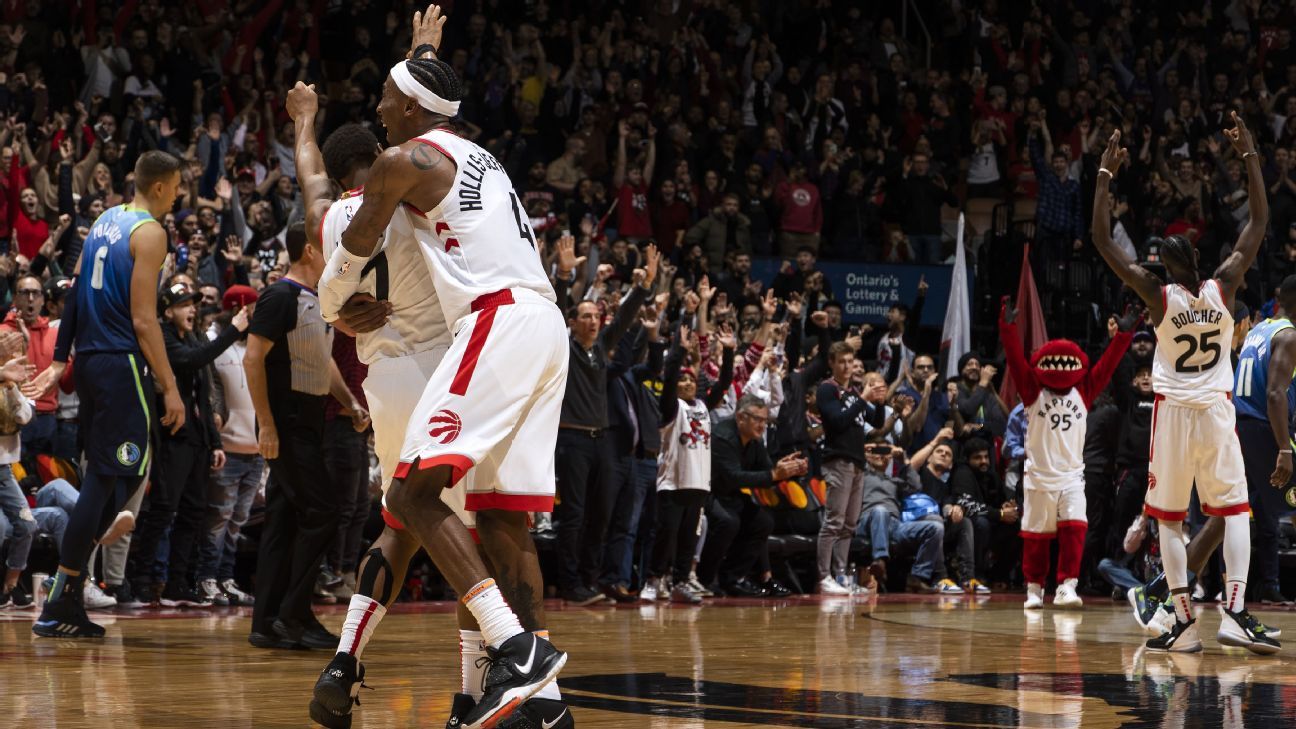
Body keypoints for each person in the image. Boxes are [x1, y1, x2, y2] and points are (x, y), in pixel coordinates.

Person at [315, 50, 569, 729]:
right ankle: (544, 706)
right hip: (546, 324)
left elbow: (357, 240)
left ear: (410, 108)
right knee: (502, 517)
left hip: (492, 323)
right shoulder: (482, 157)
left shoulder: (403, 162)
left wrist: (329, 302)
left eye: (386, 99)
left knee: (410, 494)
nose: (378, 111)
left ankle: (514, 650)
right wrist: (423, 45)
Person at [1092, 118, 1278, 654]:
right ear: (1197, 259)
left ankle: (1181, 623)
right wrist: (1249, 157)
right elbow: (1260, 220)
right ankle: (1236, 613)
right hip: (1216, 413)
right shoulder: (1226, 282)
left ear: (1162, 267)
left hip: (1172, 414)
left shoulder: (1157, 296)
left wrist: (1106, 173)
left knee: (1169, 522)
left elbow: (1102, 239)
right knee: (1235, 511)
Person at [33, 151, 188, 638]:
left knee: (109, 478)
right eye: (178, 187)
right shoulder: (151, 233)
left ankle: (69, 589)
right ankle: (64, 593)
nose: (179, 196)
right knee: (117, 479)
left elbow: (76, 291)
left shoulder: (104, 220)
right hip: (122, 363)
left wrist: (61, 357)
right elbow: (145, 320)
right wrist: (171, 387)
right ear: (161, 187)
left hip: (91, 360)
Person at [243, 222, 369, 650]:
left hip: (312, 419)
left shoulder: (316, 300)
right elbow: (252, 359)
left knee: (285, 519)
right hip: (289, 419)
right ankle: (293, 615)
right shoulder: (280, 296)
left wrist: (350, 402)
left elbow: (322, 361)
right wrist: (266, 424)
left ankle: (266, 623)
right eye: (326, 246)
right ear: (311, 251)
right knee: (323, 512)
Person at [999, 300, 1133, 610]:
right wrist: (1007, 328)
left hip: (1072, 476)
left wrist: (1122, 337)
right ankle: (1034, 588)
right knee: (1036, 536)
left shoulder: (1083, 390)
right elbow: (1016, 361)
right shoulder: (1032, 392)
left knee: (1075, 529)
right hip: (1039, 476)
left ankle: (1066, 585)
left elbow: (1108, 365)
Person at [126, 282, 248, 607]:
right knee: (163, 509)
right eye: (183, 304)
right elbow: (193, 361)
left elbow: (204, 396)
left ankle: (177, 584)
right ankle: (142, 582)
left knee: (194, 511)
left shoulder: (192, 337)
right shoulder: (163, 338)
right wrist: (233, 331)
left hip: (197, 438)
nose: (192, 310)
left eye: (193, 304)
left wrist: (215, 441)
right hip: (171, 435)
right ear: (167, 311)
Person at [644, 323, 733, 603]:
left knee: (687, 540)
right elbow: (669, 381)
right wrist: (680, 351)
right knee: (665, 535)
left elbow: (725, 382)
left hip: (698, 482)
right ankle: (654, 579)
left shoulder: (704, 406)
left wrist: (729, 352)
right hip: (673, 481)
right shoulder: (672, 407)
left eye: (690, 381)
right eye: (683, 381)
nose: (686, 384)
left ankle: (681, 581)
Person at [703, 394, 807, 595]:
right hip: (708, 493)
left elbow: (767, 474)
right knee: (728, 522)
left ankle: (733, 578)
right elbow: (734, 477)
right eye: (758, 420)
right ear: (741, 417)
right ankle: (704, 578)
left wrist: (789, 471)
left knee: (762, 522)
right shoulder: (722, 436)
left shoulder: (754, 440)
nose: (763, 425)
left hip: (730, 495)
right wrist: (774, 474)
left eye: (765, 421)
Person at [1232, 278, 1296, 606]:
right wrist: (1285, 448)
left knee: (1229, 515)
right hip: (1264, 428)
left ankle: (1167, 585)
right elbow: (1273, 394)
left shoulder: (1258, 329)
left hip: (1240, 427)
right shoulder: (1288, 336)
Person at [814, 341, 872, 595]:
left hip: (858, 462)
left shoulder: (855, 392)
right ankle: (824, 576)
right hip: (838, 460)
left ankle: (841, 575)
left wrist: (880, 403)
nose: (847, 366)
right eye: (842, 362)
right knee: (834, 522)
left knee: (849, 524)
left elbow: (876, 422)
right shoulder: (828, 389)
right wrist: (863, 399)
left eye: (850, 361)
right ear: (832, 363)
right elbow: (837, 421)